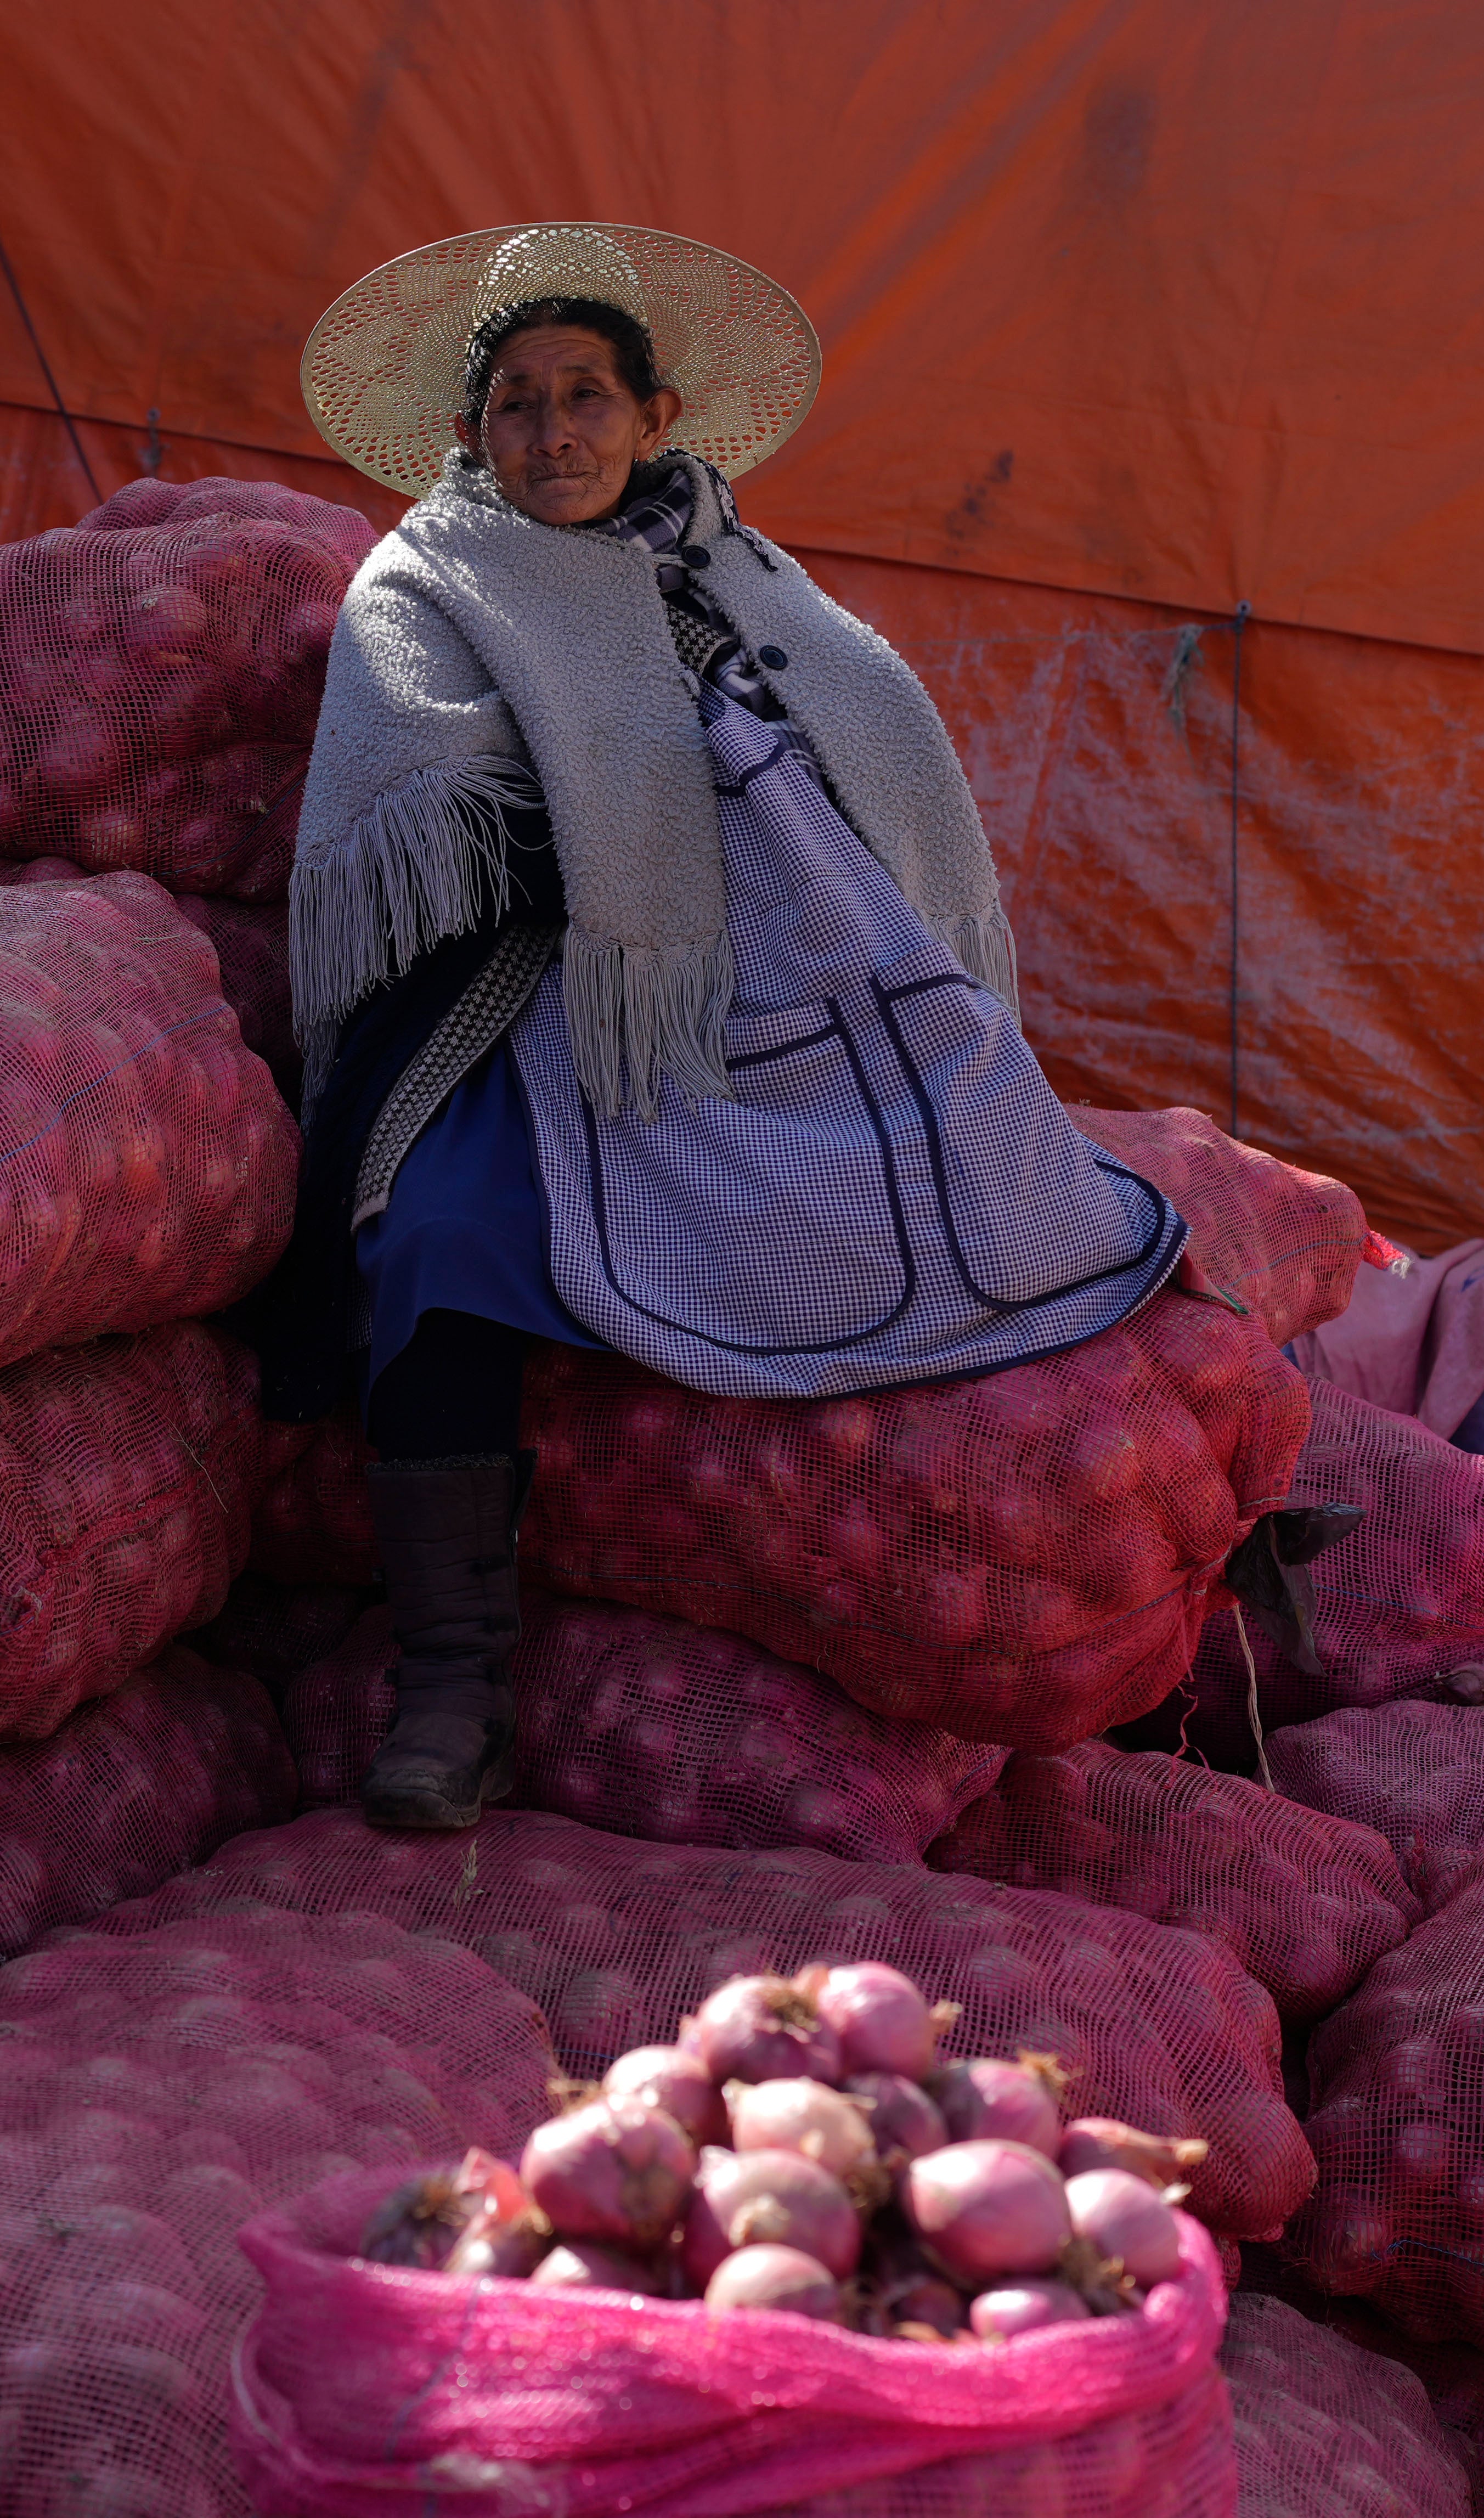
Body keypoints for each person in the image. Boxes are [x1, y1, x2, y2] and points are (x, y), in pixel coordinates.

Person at [272, 222, 1184, 1829]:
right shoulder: (422, 579)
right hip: (526, 990)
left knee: (1004, 1167)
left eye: (584, 400)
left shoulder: (752, 577)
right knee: (435, 1245)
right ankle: (453, 1682)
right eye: (514, 407)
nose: (550, 435)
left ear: (656, 416)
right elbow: (422, 807)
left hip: (784, 981)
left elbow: (882, 761)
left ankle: (1148, 1542)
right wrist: (663, 808)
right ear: (469, 436)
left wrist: (779, 831)